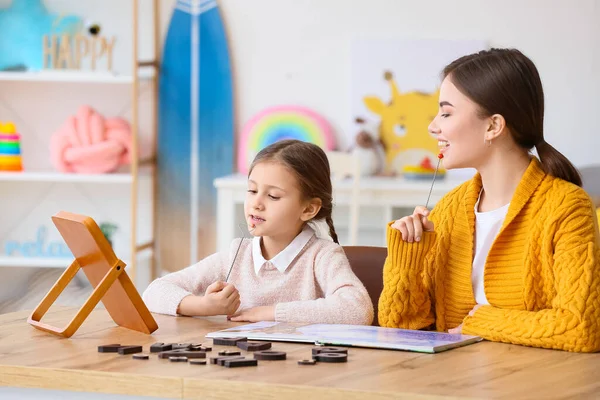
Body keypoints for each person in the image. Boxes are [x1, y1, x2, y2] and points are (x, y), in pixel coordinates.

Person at [378, 48, 600, 352]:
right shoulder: (448, 210)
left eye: (446, 112)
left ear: (493, 126)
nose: (433, 126)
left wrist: (479, 322)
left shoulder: (567, 208)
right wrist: (407, 261)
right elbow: (400, 331)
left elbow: (580, 328)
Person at [143, 139, 374, 325]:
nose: (256, 203)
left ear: (308, 208)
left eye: (273, 196)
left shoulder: (322, 256)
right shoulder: (237, 253)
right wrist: (204, 306)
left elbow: (357, 309)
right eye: (252, 190)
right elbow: (154, 291)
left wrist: (270, 312)